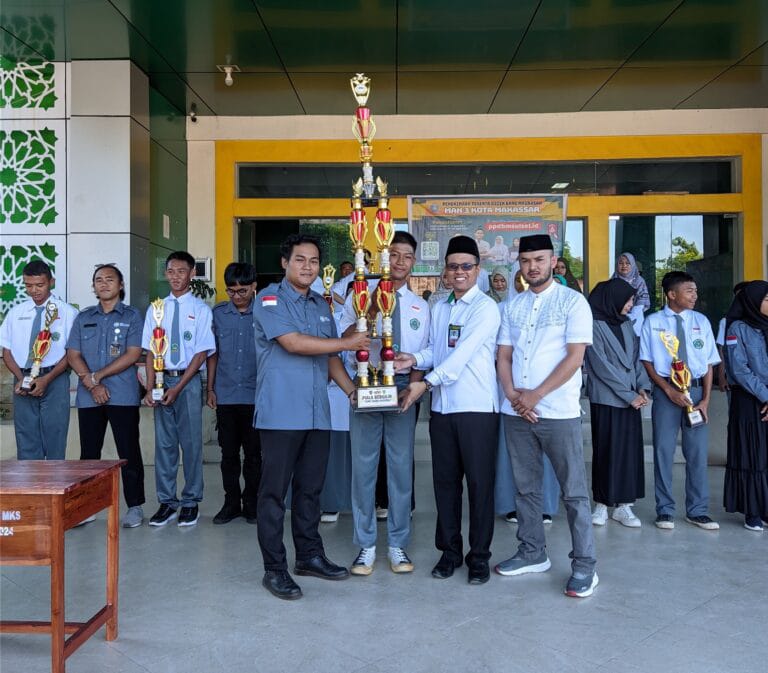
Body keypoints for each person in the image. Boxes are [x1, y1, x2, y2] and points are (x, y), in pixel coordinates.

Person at [253, 233, 370, 601]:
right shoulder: (269, 299)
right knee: (274, 494)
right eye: (300, 259)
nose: (307, 266)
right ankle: (274, 569)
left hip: (318, 413)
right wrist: (348, 342)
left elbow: (330, 357)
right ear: (285, 263)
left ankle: (309, 556)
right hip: (281, 413)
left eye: (314, 261)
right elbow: (293, 343)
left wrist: (352, 392)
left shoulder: (321, 304)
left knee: (310, 490)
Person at [494, 234, 597, 598]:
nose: (532, 266)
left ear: (553, 262)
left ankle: (584, 565)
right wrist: (512, 395)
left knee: (574, 492)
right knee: (525, 488)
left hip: (558, 412)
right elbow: (503, 355)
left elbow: (575, 357)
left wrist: (534, 395)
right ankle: (532, 552)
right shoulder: (513, 306)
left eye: (539, 259)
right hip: (516, 411)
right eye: (525, 261)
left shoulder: (573, 302)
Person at [397, 235, 500, 585]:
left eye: (466, 266)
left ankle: (479, 556)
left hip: (476, 408)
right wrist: (413, 359)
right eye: (452, 266)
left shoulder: (485, 308)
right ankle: (450, 552)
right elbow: (435, 351)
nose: (459, 272)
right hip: (442, 409)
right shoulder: (440, 306)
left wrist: (424, 383)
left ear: (477, 269)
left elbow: (460, 357)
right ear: (445, 270)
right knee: (445, 483)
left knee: (480, 485)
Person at [341, 232, 430, 576]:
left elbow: (422, 352)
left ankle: (397, 542)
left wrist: (416, 387)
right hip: (365, 384)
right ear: (382, 257)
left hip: (402, 389)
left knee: (400, 467)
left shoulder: (420, 306)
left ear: (413, 262)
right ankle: (365, 544)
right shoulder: (358, 295)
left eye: (407, 256)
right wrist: (372, 307)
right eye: (393, 254)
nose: (400, 262)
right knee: (363, 468)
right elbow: (343, 338)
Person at [640, 271, 720, 531]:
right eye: (689, 291)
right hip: (667, 394)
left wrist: (705, 399)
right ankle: (665, 510)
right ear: (671, 294)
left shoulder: (701, 321)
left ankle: (698, 510)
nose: (695, 296)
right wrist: (667, 390)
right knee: (663, 451)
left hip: (695, 393)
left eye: (695, 291)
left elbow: (708, 363)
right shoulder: (653, 322)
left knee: (697, 453)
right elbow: (647, 361)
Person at [66, 264, 145, 527]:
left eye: (110, 279)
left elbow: (133, 354)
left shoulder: (132, 316)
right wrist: (92, 384)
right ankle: (86, 508)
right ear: (94, 286)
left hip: (122, 394)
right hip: (89, 396)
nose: (104, 283)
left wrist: (97, 376)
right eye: (98, 280)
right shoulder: (84, 317)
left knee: (128, 451)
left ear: (121, 285)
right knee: (89, 455)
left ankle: (134, 506)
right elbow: (73, 355)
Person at [141, 251, 215, 527]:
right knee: (164, 445)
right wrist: (150, 388)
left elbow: (201, 353)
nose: (175, 277)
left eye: (181, 271)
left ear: (192, 273)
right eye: (171, 271)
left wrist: (179, 387)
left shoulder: (201, 310)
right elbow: (150, 351)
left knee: (191, 443)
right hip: (161, 381)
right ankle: (167, 502)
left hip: (188, 381)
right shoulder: (156, 308)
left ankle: (191, 501)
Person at [585, 278, 650, 528]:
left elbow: (636, 359)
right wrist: (629, 394)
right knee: (606, 451)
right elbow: (600, 365)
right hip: (607, 398)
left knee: (628, 454)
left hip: (632, 397)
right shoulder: (594, 325)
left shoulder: (626, 324)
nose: (631, 304)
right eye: (628, 300)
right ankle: (602, 504)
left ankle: (624, 506)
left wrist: (642, 387)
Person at [1, 260, 78, 460]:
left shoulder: (67, 312)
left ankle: (54, 479)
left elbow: (71, 353)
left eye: (39, 285)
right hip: (22, 378)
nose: (34, 290)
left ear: (51, 282)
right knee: (26, 437)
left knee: (55, 435)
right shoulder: (16, 313)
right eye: (28, 285)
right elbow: (7, 351)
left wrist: (47, 379)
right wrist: (20, 379)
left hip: (55, 378)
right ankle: (29, 480)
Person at [206, 262, 261, 525]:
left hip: (255, 396)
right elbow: (213, 354)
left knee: (254, 455)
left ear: (254, 287)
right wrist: (210, 388)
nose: (237, 296)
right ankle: (231, 503)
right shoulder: (218, 314)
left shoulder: (264, 313)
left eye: (242, 291)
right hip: (226, 395)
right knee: (228, 455)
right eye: (231, 291)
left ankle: (252, 503)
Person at [722, 280, 768, 531]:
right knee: (752, 454)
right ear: (753, 302)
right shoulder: (737, 328)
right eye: (767, 299)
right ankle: (753, 511)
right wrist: (765, 396)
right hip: (749, 399)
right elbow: (739, 370)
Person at [613, 252, 650, 336]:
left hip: (635, 318)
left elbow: (641, 301)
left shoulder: (639, 281)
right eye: (621, 263)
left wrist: (629, 317)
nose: (624, 266)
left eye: (627, 263)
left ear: (633, 265)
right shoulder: (613, 279)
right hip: (616, 318)